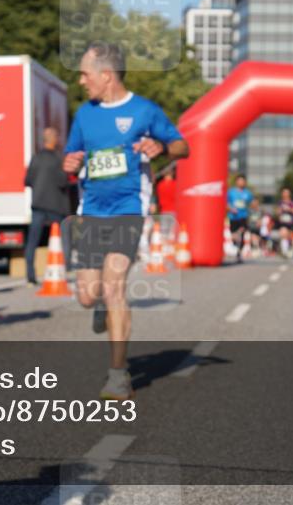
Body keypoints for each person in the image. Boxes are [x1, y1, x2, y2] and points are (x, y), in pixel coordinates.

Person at [63, 43, 188, 400]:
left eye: (86, 74)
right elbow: (71, 156)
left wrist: (161, 147)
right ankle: (99, 304)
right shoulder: (84, 114)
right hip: (91, 211)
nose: (82, 82)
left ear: (106, 75)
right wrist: (69, 164)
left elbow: (183, 146)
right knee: (88, 296)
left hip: (129, 209)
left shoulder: (145, 111)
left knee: (114, 284)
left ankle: (118, 375)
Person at [23, 127, 69, 287]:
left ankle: (30, 275)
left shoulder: (35, 158)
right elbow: (63, 181)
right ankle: (63, 271)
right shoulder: (58, 158)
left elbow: (27, 180)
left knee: (32, 241)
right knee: (63, 240)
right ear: (54, 139)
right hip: (56, 205)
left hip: (38, 203)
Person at [226, 175, 254, 263]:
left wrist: (252, 208)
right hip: (233, 217)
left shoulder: (248, 193)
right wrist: (231, 209)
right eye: (240, 181)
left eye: (243, 181)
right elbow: (226, 203)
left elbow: (252, 204)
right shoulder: (231, 192)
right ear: (237, 182)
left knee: (242, 232)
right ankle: (236, 245)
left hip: (243, 216)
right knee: (234, 235)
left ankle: (239, 252)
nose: (241, 183)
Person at [275, 188, 293, 258]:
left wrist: (289, 209)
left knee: (292, 237)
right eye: (284, 193)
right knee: (283, 235)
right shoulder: (280, 203)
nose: (285, 194)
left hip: (291, 223)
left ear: (289, 194)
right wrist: (280, 211)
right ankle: (284, 252)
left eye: (286, 193)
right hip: (283, 223)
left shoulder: (292, 203)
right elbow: (277, 212)